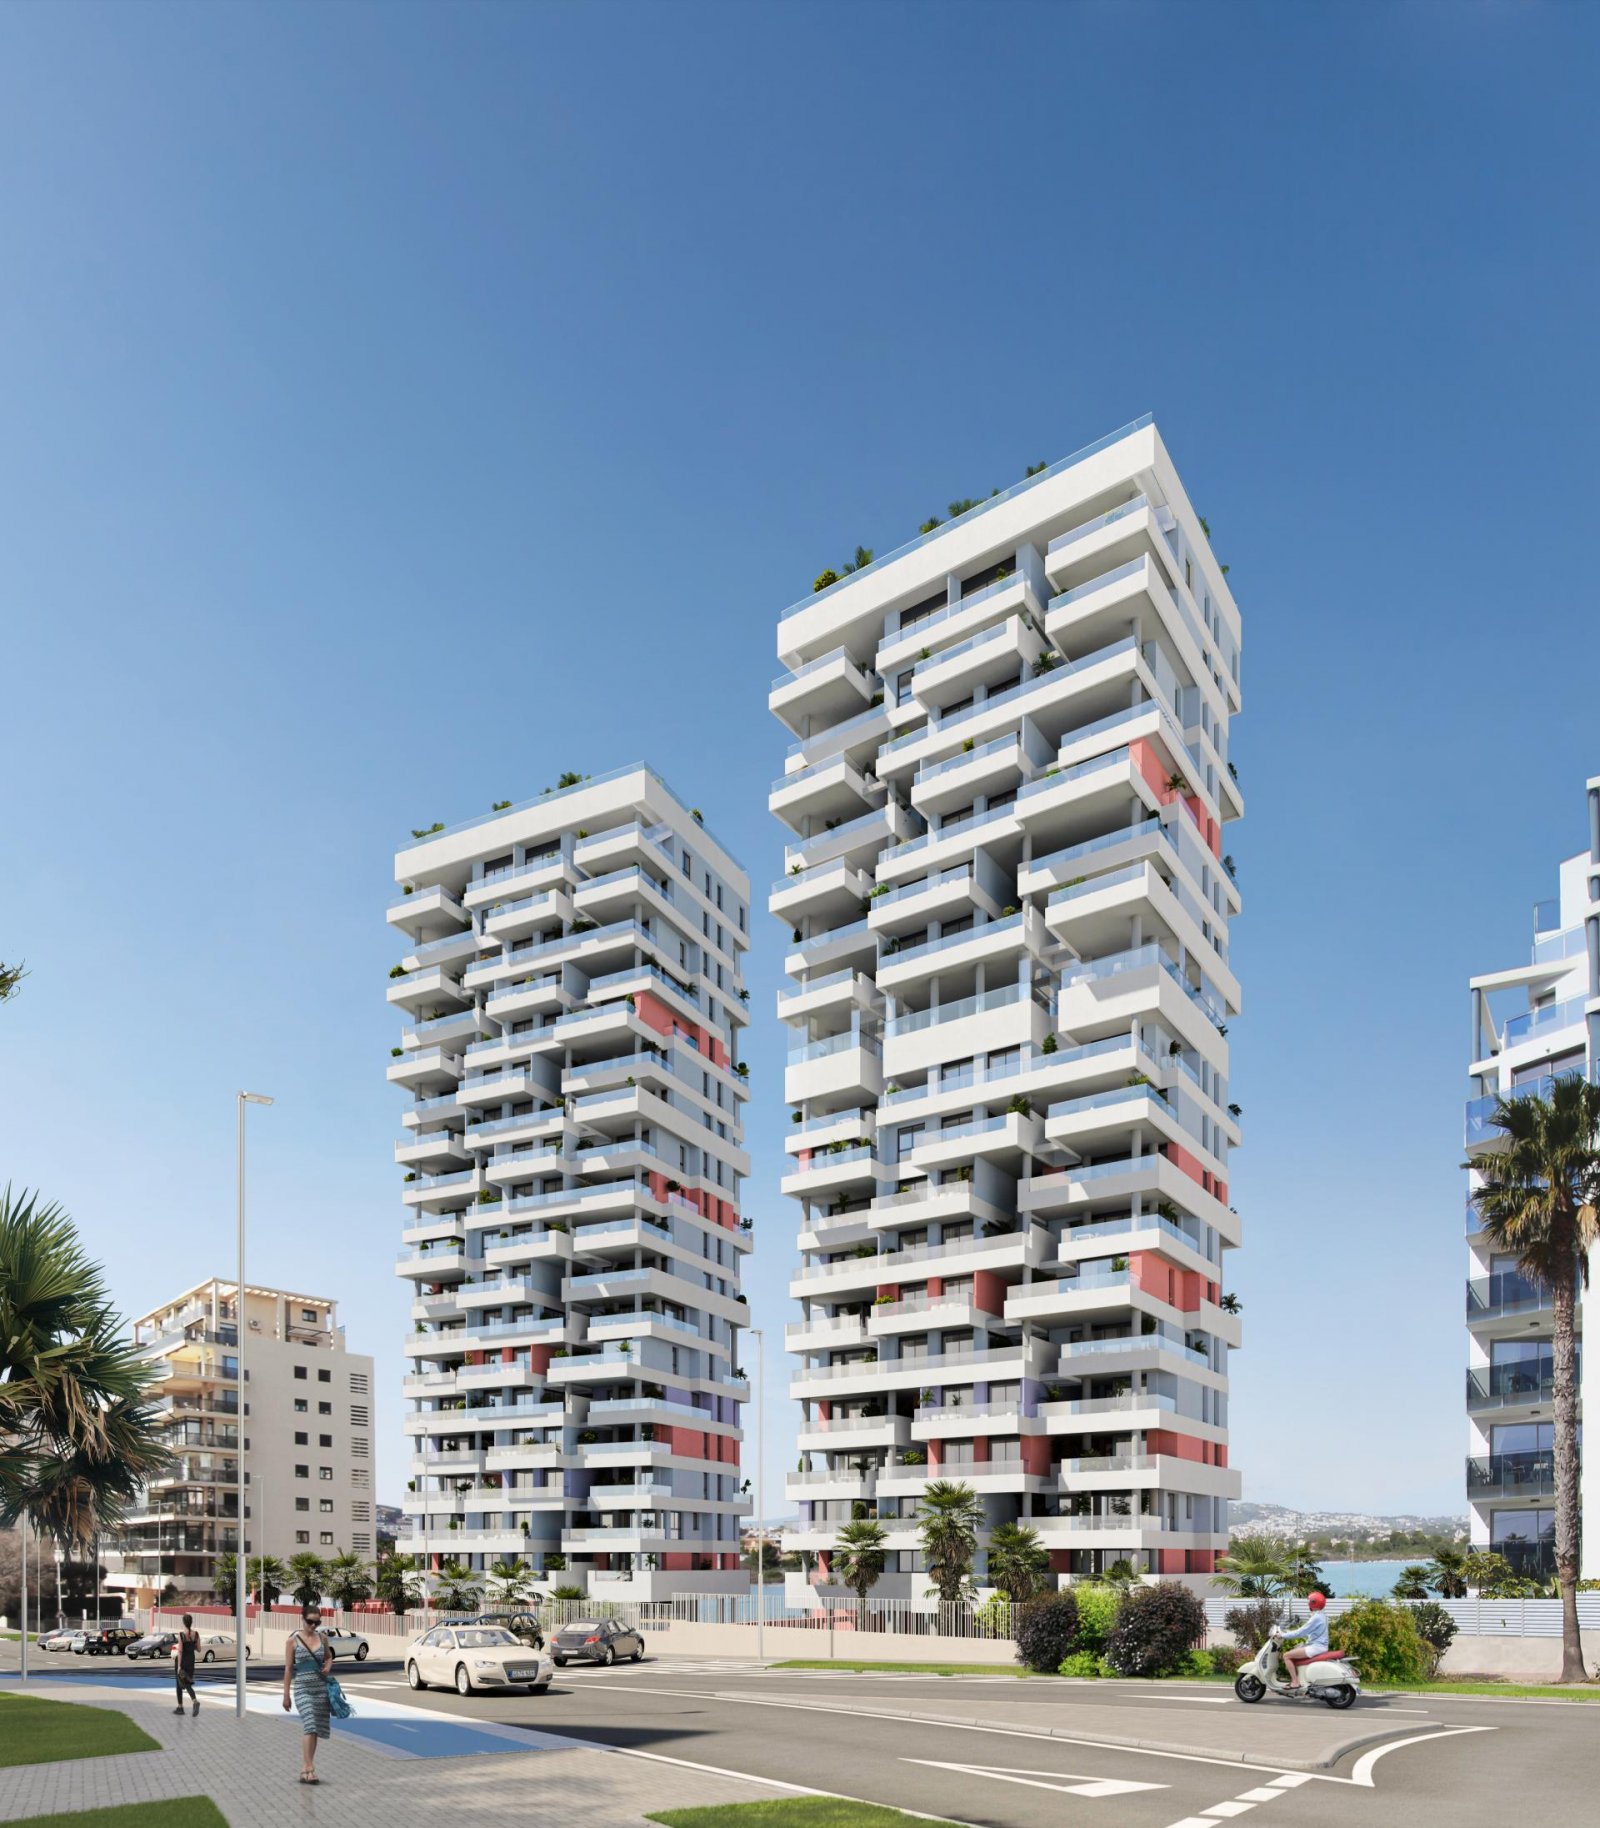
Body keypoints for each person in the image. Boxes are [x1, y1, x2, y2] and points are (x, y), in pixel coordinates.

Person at [281, 1600, 334, 1784]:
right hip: (302, 1688)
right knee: (310, 1724)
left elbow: (328, 1658)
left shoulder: (323, 1638)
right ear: (302, 1620)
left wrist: (328, 1666)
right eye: (310, 1621)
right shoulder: (292, 1642)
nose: (313, 1625)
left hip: (320, 1688)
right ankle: (310, 1767)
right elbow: (288, 1669)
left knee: (316, 1729)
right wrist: (286, 1694)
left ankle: (305, 1769)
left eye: (317, 1622)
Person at [1278, 1590, 1329, 1689]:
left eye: (1309, 1601)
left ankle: (1295, 1682)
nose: (1308, 1603)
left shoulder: (1316, 1617)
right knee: (1295, 1649)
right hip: (1318, 1646)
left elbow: (1301, 1632)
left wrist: (1282, 1635)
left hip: (1316, 1647)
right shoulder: (1322, 1615)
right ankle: (1299, 1678)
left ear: (1313, 1603)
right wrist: (1287, 1632)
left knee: (1286, 1656)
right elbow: (1311, 1632)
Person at [172, 1614, 199, 1716]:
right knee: (187, 1683)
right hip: (191, 1662)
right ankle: (188, 1704)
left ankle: (183, 1706)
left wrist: (179, 1666)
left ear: (184, 1622)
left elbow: (180, 1651)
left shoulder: (181, 1635)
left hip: (182, 1662)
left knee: (180, 1684)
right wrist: (192, 1646)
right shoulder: (196, 1634)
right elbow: (199, 1649)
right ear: (191, 1622)